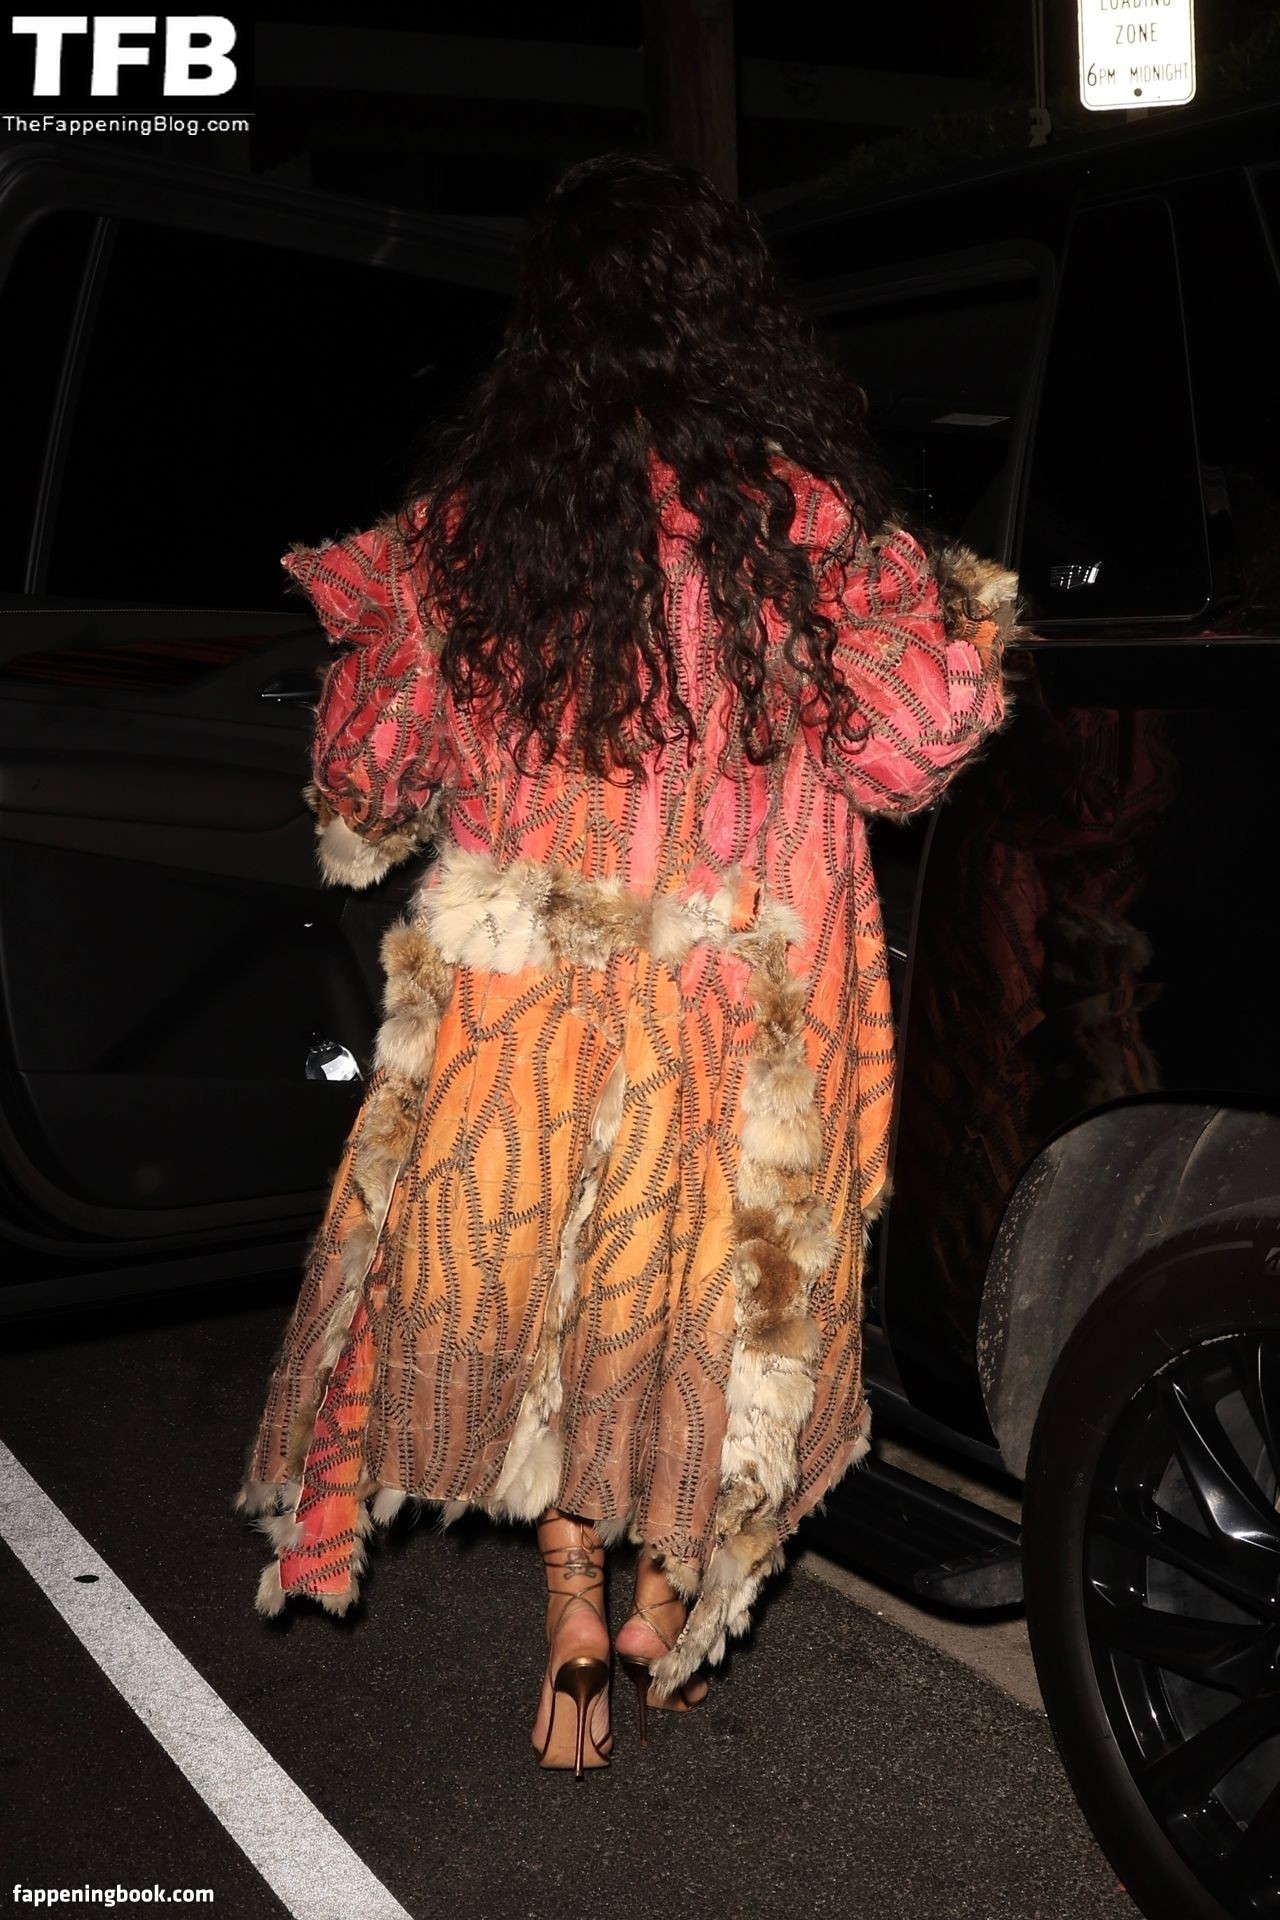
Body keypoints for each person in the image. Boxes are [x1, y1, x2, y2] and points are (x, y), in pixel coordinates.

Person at [233, 149, 1017, 1780]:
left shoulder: (474, 540)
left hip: (532, 1006)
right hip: (748, 1009)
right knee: (716, 1312)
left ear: (552, 335)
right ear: (733, 323)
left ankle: (573, 1606)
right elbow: (917, 751)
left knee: (562, 1300)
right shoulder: (805, 531)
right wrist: (960, 613)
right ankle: (667, 1611)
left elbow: (366, 787)